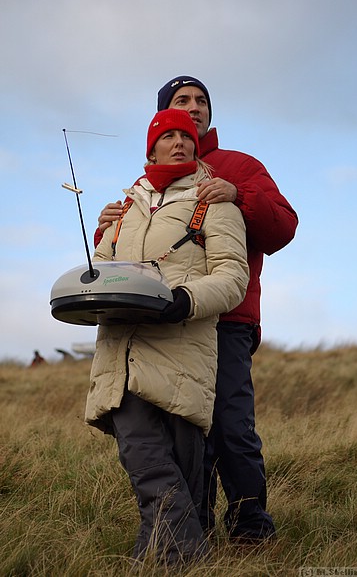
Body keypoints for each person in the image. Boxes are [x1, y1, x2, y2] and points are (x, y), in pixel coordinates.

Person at [94, 76, 298, 543]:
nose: (194, 109)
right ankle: (193, 532)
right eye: (181, 103)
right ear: (159, 124)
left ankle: (250, 529)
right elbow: (128, 261)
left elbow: (283, 227)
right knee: (180, 431)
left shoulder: (238, 167)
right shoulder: (143, 186)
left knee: (229, 428)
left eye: (201, 101)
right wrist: (107, 229)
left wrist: (239, 196)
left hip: (225, 320)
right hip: (156, 325)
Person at [85, 108, 249, 563]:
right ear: (150, 147)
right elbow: (98, 273)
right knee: (151, 470)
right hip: (122, 359)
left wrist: (183, 300)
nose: (179, 142)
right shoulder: (121, 211)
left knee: (185, 484)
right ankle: (189, 562)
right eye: (167, 135)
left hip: (184, 357)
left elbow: (233, 277)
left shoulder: (214, 203)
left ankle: (152, 562)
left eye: (186, 136)